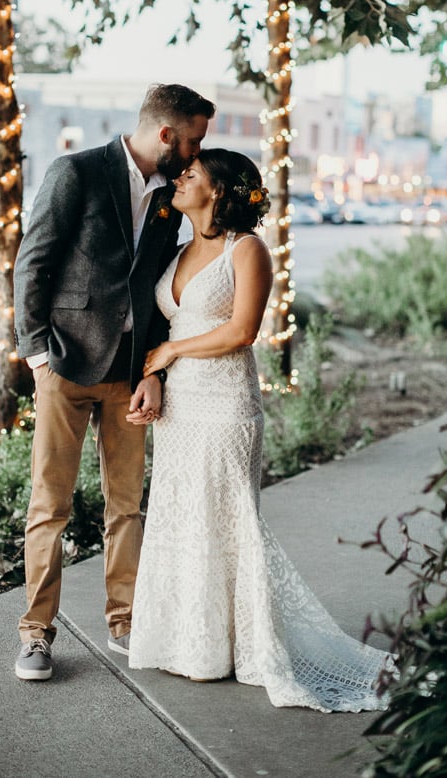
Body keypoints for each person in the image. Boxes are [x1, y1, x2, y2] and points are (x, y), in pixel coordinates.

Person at [129, 148, 395, 711]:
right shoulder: (176, 251)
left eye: (192, 173)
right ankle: (190, 644)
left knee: (225, 518)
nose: (180, 178)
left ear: (219, 191)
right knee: (182, 512)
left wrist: (172, 348)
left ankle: (243, 647)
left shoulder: (247, 250)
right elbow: (156, 322)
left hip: (226, 403)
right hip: (179, 407)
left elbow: (241, 330)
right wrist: (154, 376)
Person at [12, 83, 216, 681]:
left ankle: (124, 621)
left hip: (130, 374)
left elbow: (157, 280)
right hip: (66, 365)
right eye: (194, 138)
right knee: (50, 504)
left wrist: (153, 368)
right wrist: (36, 355)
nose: (199, 151)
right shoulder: (76, 171)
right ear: (165, 135)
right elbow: (34, 260)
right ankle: (34, 634)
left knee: (126, 506)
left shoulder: (170, 195)